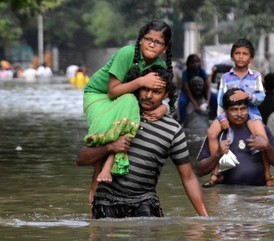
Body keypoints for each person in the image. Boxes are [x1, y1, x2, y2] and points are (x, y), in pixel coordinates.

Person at [76, 67, 209, 219]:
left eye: (156, 92)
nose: (148, 96)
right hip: (106, 201)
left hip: (144, 202)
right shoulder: (119, 115)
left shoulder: (173, 130)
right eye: (144, 89)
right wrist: (109, 146)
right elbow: (81, 159)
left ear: (166, 95)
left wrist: (205, 220)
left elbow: (188, 177)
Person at [82, 20, 174, 206]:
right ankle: (96, 182)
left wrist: (165, 107)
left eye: (158, 42)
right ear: (140, 40)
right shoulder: (126, 53)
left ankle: (110, 167)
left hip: (127, 101)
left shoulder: (160, 68)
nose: (151, 44)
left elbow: (164, 96)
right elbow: (112, 91)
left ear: (164, 48)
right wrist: (141, 81)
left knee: (131, 105)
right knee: (129, 102)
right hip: (100, 97)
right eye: (148, 39)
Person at [204, 38, 273, 187]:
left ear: (251, 58)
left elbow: (261, 97)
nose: (241, 56)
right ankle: (217, 172)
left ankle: (267, 174)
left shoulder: (255, 76)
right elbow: (221, 100)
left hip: (251, 113)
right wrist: (221, 117)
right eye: (237, 53)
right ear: (232, 56)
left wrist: (248, 96)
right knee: (211, 133)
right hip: (229, 113)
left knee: (263, 138)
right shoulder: (225, 77)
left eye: (245, 54)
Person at [195, 88, 274, 186]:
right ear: (225, 111)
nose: (240, 114)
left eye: (243, 109)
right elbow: (199, 171)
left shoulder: (260, 129)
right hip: (226, 197)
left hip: (258, 196)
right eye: (234, 110)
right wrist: (217, 154)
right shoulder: (217, 133)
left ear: (248, 109)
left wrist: (267, 147)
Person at [178, 54, 215, 124]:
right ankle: (182, 121)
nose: (195, 64)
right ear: (188, 64)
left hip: (201, 91)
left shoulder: (202, 71)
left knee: (214, 98)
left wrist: (207, 101)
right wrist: (194, 104)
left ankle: (213, 117)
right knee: (182, 102)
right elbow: (187, 89)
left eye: (197, 61)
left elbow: (208, 87)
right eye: (192, 62)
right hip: (188, 91)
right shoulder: (185, 73)